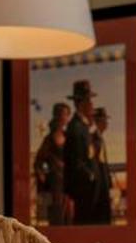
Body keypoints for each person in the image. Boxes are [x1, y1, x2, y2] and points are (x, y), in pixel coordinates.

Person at [62, 81, 100, 224]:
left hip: (87, 188)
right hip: (83, 189)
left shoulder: (82, 126)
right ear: (81, 103)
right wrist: (91, 176)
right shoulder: (76, 127)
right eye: (89, 100)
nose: (92, 104)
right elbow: (76, 161)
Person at [33, 102, 71, 224]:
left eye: (66, 114)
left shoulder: (69, 136)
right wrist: (42, 175)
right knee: (58, 208)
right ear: (56, 116)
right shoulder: (49, 139)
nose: (64, 117)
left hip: (70, 178)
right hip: (57, 180)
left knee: (69, 209)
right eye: (62, 114)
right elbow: (38, 161)